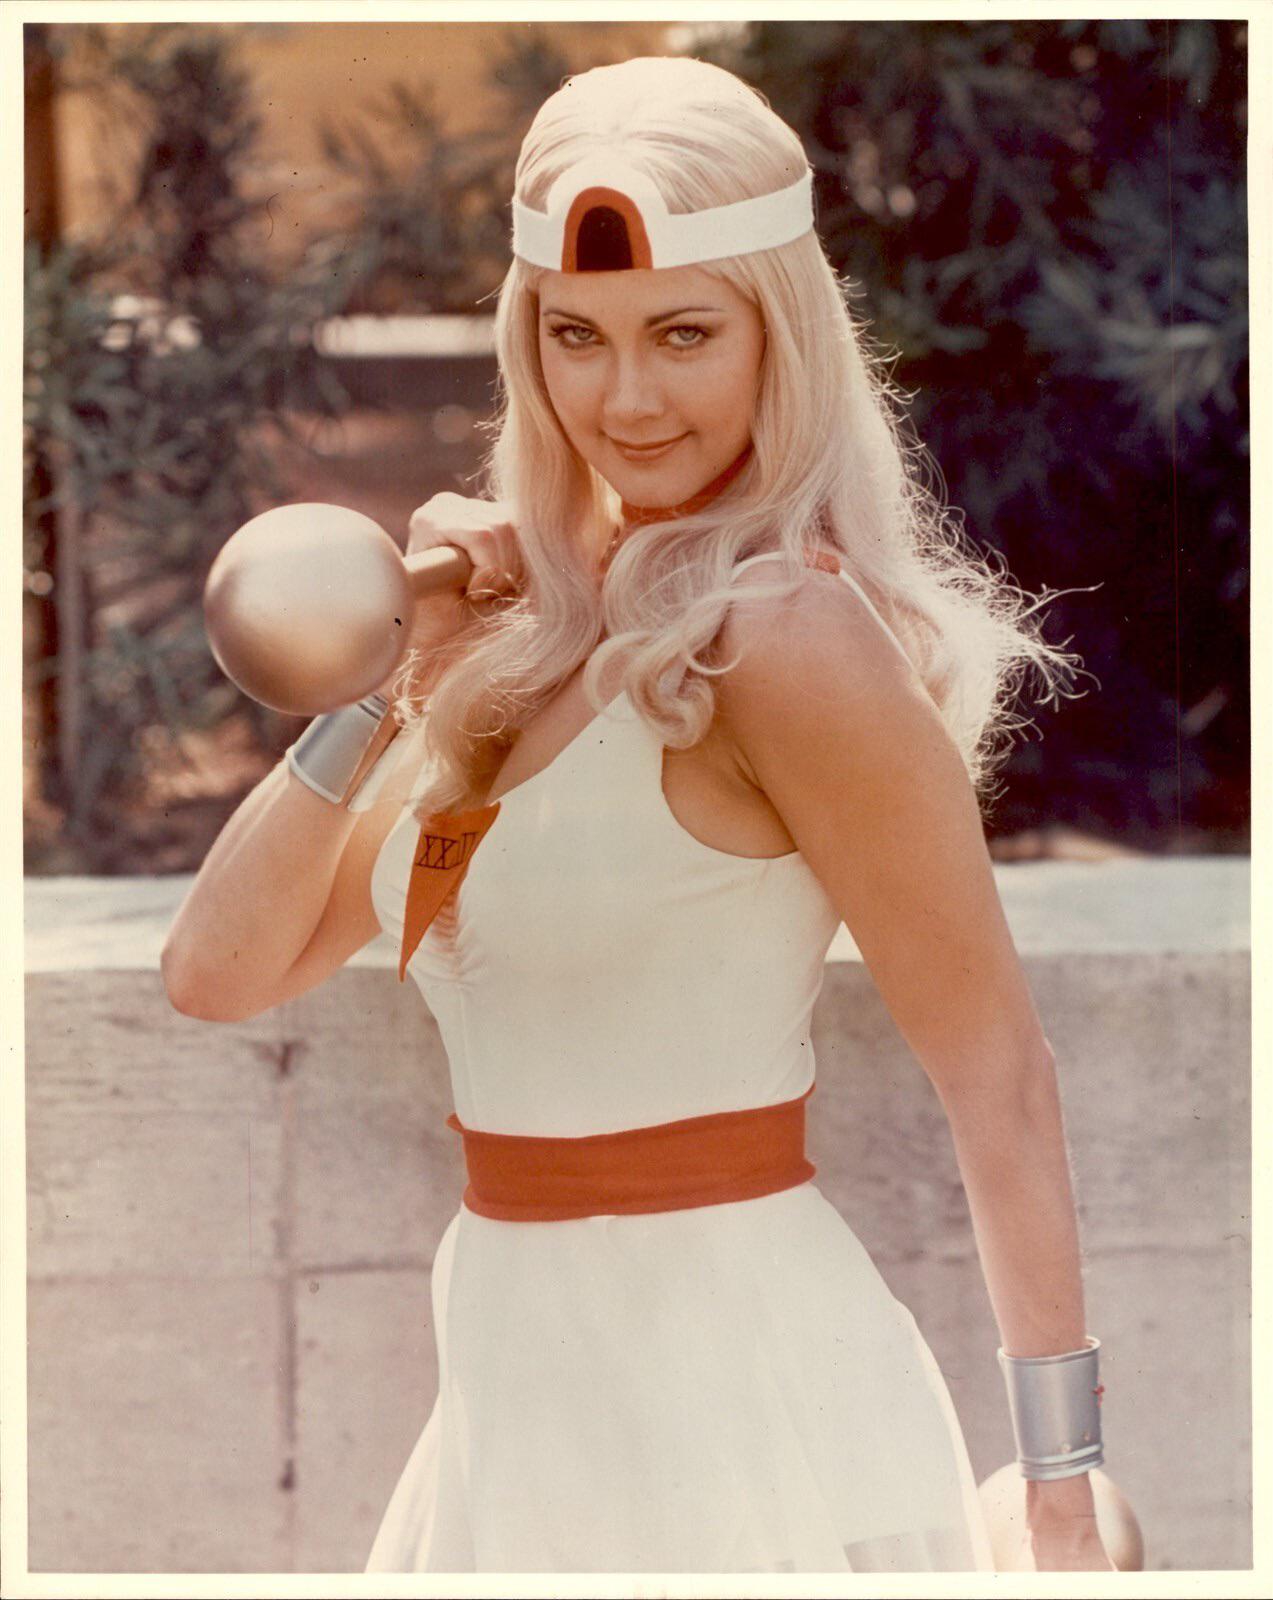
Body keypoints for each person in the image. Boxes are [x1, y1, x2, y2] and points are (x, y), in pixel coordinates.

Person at [163, 57, 1114, 1575]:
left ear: (777, 336)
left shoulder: (785, 634)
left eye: (684, 333)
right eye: (576, 336)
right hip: (510, 1418)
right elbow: (218, 971)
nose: (627, 398)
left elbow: (996, 1067)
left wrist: (1062, 1485)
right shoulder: (515, 644)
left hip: (747, 1412)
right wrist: (394, 675)